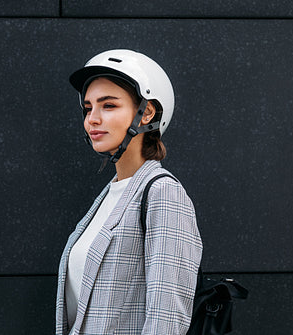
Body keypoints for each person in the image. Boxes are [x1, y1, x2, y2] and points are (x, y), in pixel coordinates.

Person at [55, 49, 203, 334]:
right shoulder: (110, 196)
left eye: (108, 105)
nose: (92, 119)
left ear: (146, 112)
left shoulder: (163, 194)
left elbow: (167, 320)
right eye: (88, 108)